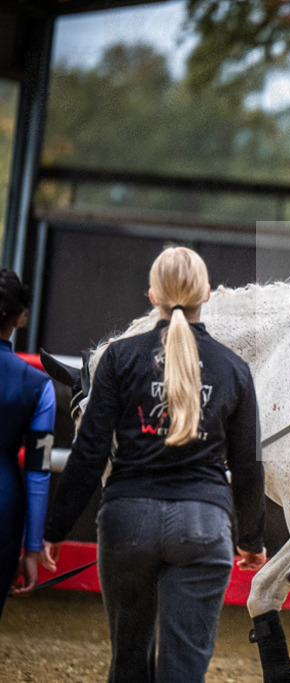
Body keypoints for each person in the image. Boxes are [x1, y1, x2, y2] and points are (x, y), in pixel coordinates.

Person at [42, 247, 267, 682]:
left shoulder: (119, 359)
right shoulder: (234, 369)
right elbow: (247, 466)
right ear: (206, 293)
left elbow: (89, 452)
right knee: (183, 671)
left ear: (152, 295)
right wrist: (252, 540)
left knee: (128, 664)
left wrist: (55, 528)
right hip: (203, 525)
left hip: (128, 522)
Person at [0, 269, 57, 618]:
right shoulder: (39, 385)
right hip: (4, 504)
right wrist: (32, 550)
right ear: (20, 318)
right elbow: (38, 472)